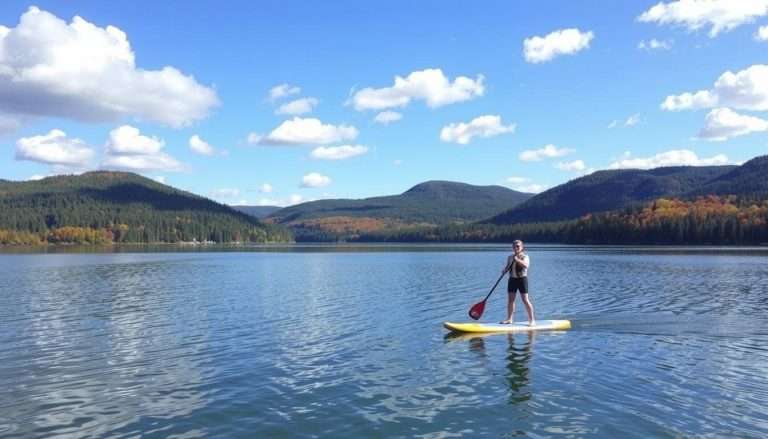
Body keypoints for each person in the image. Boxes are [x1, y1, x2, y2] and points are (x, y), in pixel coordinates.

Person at [500, 240, 535, 326]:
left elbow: (526, 265)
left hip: (522, 280)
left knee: (525, 300)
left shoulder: (525, 256)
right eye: (514, 246)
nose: (516, 248)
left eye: (518, 246)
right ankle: (509, 319)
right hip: (512, 280)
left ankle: (532, 320)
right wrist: (504, 270)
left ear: (522, 247)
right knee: (510, 300)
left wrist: (518, 260)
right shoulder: (510, 257)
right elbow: (508, 267)